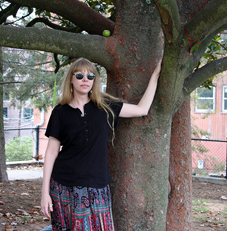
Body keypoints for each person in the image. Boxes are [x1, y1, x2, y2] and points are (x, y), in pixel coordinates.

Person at [41, 57, 161, 231]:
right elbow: (51, 152)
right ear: (71, 80)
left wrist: (156, 74)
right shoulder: (60, 112)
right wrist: (45, 193)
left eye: (90, 76)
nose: (85, 80)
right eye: (80, 75)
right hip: (63, 186)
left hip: (98, 187)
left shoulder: (106, 107)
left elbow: (142, 109)